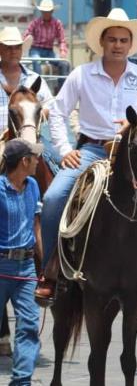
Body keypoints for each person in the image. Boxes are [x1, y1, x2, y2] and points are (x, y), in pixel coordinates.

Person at [34, 8, 137, 309]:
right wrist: (65, 150)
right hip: (91, 150)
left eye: (123, 40)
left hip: (134, 156)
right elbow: (58, 110)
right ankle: (50, 271)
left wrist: (136, 126)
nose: (117, 44)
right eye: (112, 39)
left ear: (131, 45)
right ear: (101, 43)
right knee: (52, 200)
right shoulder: (81, 74)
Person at [0, 139, 44, 386]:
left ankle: (21, 381)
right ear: (24, 161)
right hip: (1, 266)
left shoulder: (34, 185)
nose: (38, 161)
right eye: (34, 157)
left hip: (26, 268)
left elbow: (36, 226)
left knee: (28, 326)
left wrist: (45, 264)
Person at [0, 27, 54, 134]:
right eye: (8, 48)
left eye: (17, 47)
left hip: (28, 139)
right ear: (0, 50)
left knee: (52, 150)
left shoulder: (34, 78)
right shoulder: (34, 79)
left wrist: (35, 117)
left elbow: (51, 105)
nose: (13, 52)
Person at [23, 0, 69, 77]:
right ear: (41, 12)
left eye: (48, 11)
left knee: (64, 64)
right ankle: (38, 85)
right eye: (44, 12)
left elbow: (62, 40)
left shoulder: (57, 23)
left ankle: (61, 87)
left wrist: (62, 51)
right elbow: (26, 35)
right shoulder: (35, 22)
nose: (46, 13)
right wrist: (23, 46)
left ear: (52, 12)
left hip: (49, 51)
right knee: (37, 61)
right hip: (36, 49)